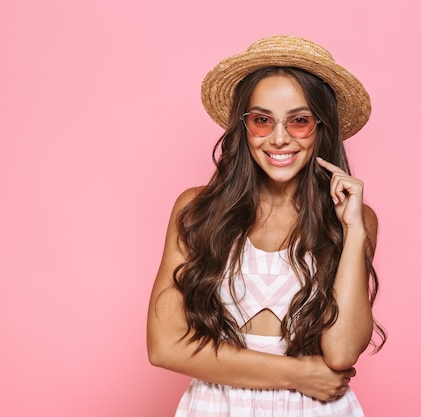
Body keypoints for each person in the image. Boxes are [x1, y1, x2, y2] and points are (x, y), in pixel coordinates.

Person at [146, 35, 386, 416]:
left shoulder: (355, 221)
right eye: (262, 120)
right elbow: (165, 346)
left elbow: (340, 352)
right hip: (216, 406)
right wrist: (297, 374)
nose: (279, 138)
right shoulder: (198, 210)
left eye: (299, 121)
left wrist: (354, 232)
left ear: (321, 127)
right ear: (244, 127)